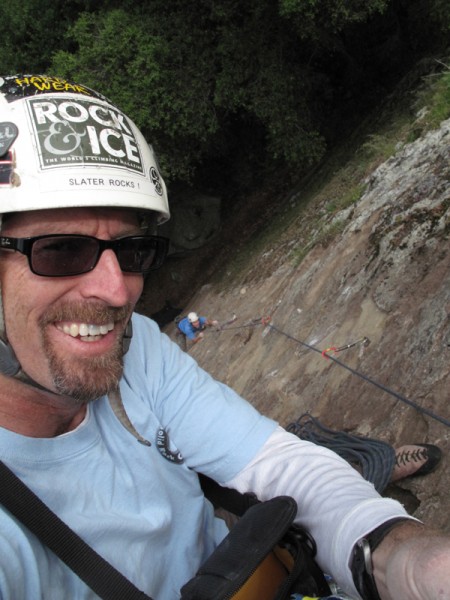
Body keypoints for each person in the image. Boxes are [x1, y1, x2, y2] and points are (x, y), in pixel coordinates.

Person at [0, 73, 448, 600]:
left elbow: (268, 460)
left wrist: (400, 556)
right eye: (61, 251)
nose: (117, 291)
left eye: (132, 250)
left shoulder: (136, 349)